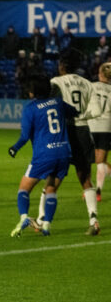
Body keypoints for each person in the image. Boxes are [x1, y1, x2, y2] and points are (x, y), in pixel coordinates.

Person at [33, 51, 100, 235]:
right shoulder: (88, 84)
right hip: (83, 132)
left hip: (63, 133)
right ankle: (93, 220)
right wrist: (83, 117)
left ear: (62, 65)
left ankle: (40, 220)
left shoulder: (56, 82)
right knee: (85, 178)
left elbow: (50, 106)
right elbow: (97, 109)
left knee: (52, 178)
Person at [8, 77, 76, 237]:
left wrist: (14, 148)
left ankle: (24, 217)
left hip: (44, 155)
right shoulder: (58, 102)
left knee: (23, 189)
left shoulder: (30, 109)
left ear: (32, 92)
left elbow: (25, 136)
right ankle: (46, 225)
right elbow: (75, 111)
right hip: (64, 153)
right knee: (51, 189)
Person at [80, 62, 111, 202]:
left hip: (91, 125)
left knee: (87, 160)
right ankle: (98, 191)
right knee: (101, 161)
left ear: (99, 73)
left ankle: (88, 189)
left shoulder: (90, 86)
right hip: (106, 126)